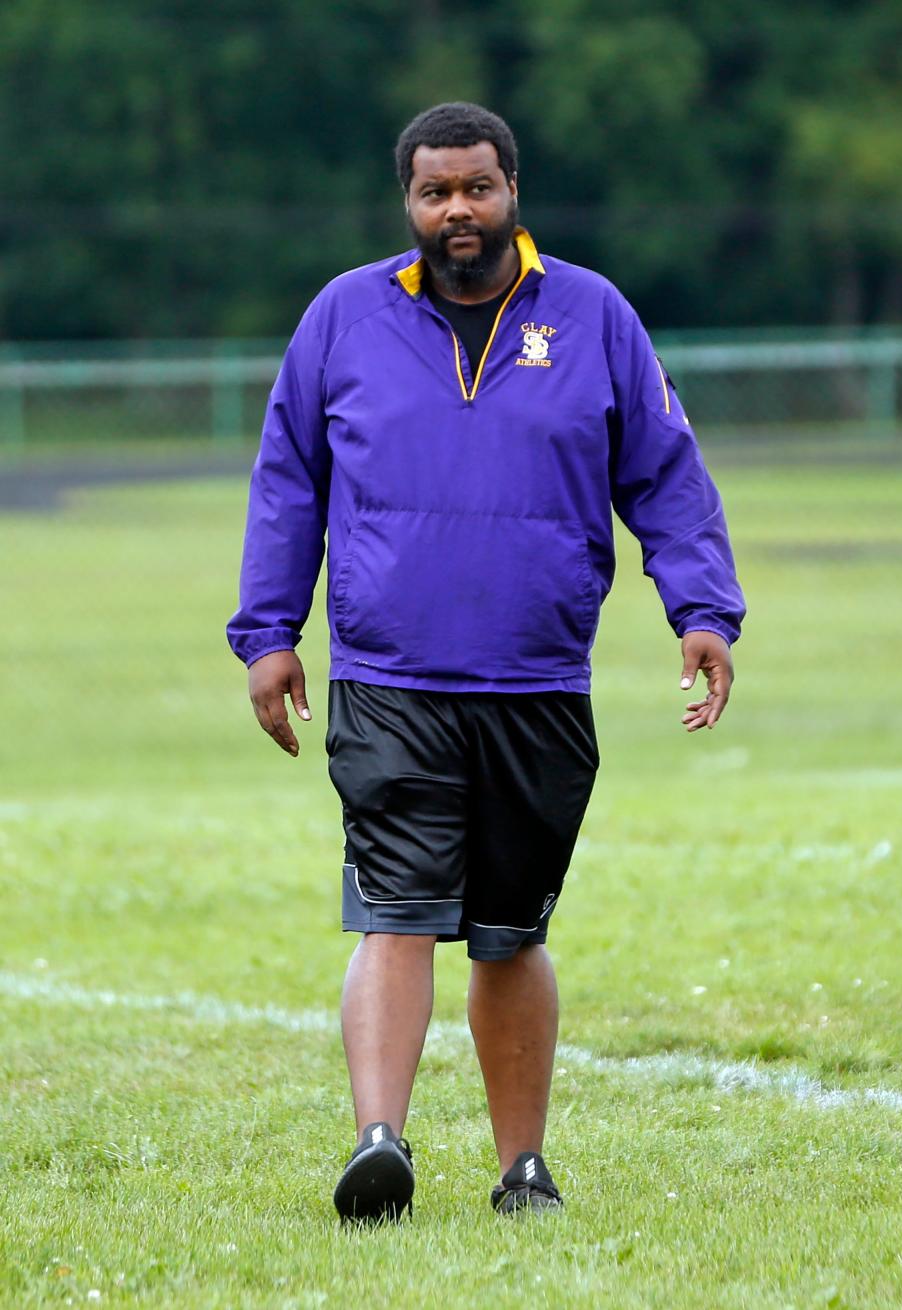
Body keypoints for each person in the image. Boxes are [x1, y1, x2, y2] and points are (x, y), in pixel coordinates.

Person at [227, 101, 745, 1223]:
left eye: (476, 186)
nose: (457, 209)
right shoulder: (343, 318)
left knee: (513, 929)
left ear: (514, 189)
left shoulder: (596, 315)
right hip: (388, 674)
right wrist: (269, 633)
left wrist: (701, 606)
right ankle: (381, 1143)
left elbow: (664, 471)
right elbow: (289, 484)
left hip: (537, 677)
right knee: (395, 909)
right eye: (434, 191)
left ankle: (523, 1168)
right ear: (407, 202)